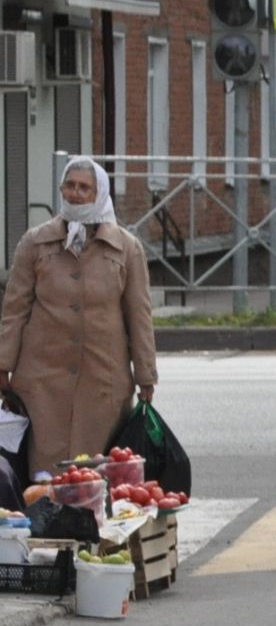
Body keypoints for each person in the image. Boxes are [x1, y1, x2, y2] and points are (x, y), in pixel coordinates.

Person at [0, 156, 157, 475]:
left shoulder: (126, 248)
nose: (75, 193)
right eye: (69, 186)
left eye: (84, 187)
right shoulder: (35, 242)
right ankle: (45, 523)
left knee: (95, 474)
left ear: (99, 193)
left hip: (102, 379)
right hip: (42, 379)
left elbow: (139, 316)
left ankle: (89, 524)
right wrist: (3, 366)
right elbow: (14, 310)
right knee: (44, 473)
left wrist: (146, 376)